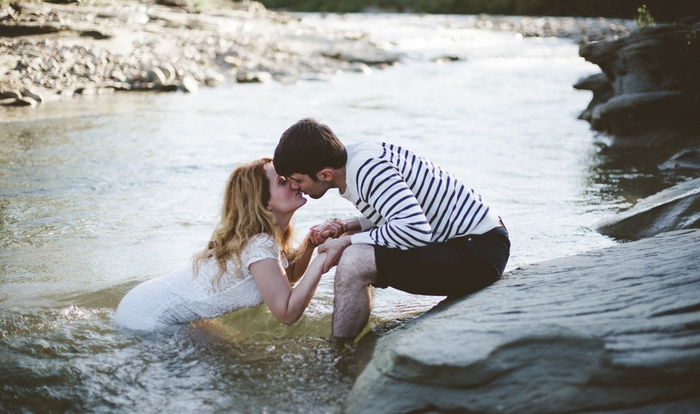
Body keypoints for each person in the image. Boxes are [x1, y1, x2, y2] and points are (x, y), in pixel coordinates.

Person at [273, 118, 510, 338]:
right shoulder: (358, 159)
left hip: (478, 253)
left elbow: (415, 230)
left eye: (298, 179)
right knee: (354, 240)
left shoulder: (368, 172)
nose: (294, 186)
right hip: (474, 243)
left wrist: (345, 241)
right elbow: (397, 213)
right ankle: (360, 329)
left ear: (325, 174)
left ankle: (340, 354)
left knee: (354, 258)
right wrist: (345, 225)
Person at [114, 158, 341, 332]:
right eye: (282, 182)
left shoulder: (260, 239)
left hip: (144, 304)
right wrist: (324, 257)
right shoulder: (259, 243)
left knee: (236, 350)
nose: (294, 183)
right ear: (264, 203)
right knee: (246, 362)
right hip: (149, 317)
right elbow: (287, 313)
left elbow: (286, 277)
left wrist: (310, 245)